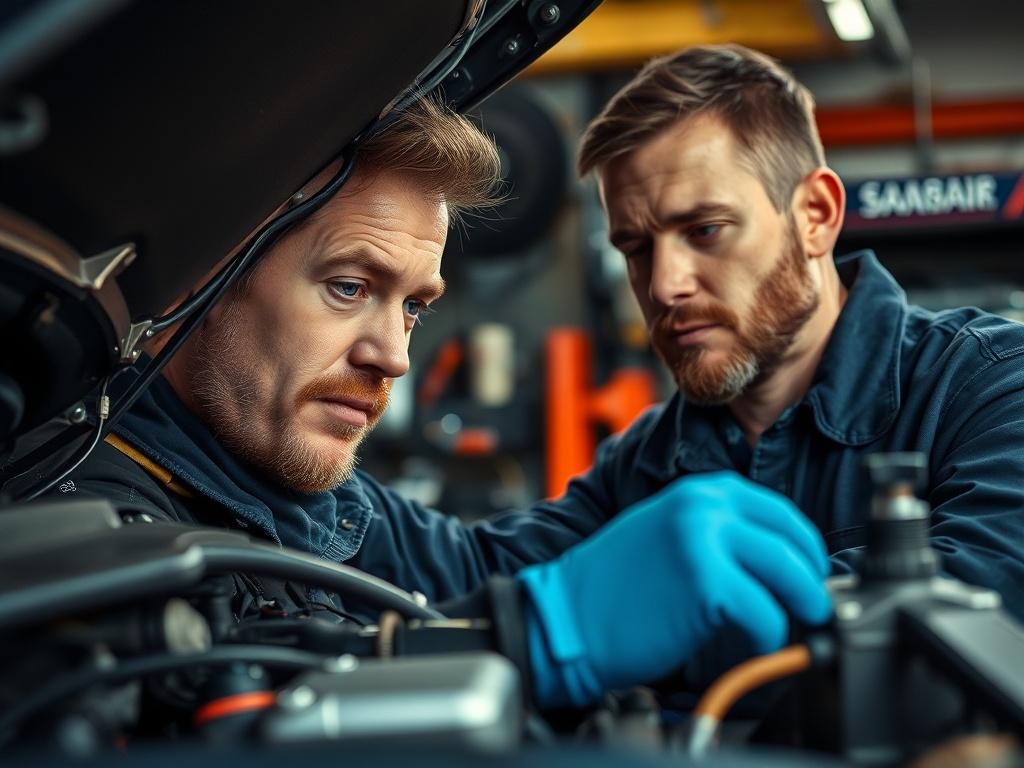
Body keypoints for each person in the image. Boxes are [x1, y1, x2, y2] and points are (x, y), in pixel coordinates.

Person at [55, 97, 831, 711]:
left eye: (412, 307)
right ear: (197, 286)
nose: (393, 354)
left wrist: (729, 438)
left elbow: (481, 567)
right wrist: (528, 638)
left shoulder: (311, 506)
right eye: (349, 288)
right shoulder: (79, 534)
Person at [548, 43, 1024, 628]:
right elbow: (480, 568)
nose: (664, 285)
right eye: (637, 248)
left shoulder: (991, 388)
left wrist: (657, 607)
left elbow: (981, 599)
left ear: (814, 215)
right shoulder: (645, 461)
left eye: (705, 230)